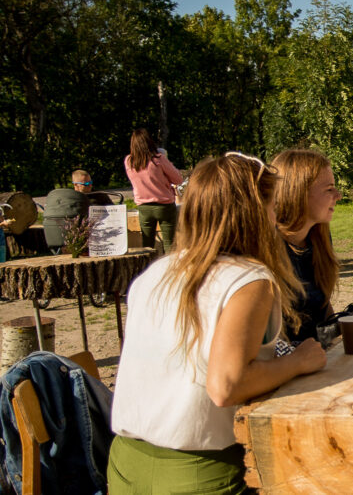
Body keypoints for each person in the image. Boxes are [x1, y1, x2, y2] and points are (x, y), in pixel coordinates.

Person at [108, 153, 326, 493]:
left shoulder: (158, 272)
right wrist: (297, 363)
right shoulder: (248, 280)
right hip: (199, 471)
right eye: (269, 206)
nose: (274, 217)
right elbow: (226, 386)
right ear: (251, 213)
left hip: (125, 464)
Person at [270, 149, 342, 343]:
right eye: (329, 189)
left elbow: (323, 306)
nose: (338, 195)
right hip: (286, 365)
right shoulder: (267, 246)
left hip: (319, 359)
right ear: (299, 192)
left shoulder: (319, 236)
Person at [124, 128, 183, 252]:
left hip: (144, 207)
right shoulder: (158, 159)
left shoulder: (129, 161)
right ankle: (169, 267)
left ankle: (147, 267)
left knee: (147, 244)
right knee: (169, 243)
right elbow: (178, 179)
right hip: (164, 205)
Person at [41, 170, 93, 251]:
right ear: (76, 185)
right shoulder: (70, 201)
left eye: (90, 183)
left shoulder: (96, 197)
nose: (90, 186)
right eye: (86, 184)